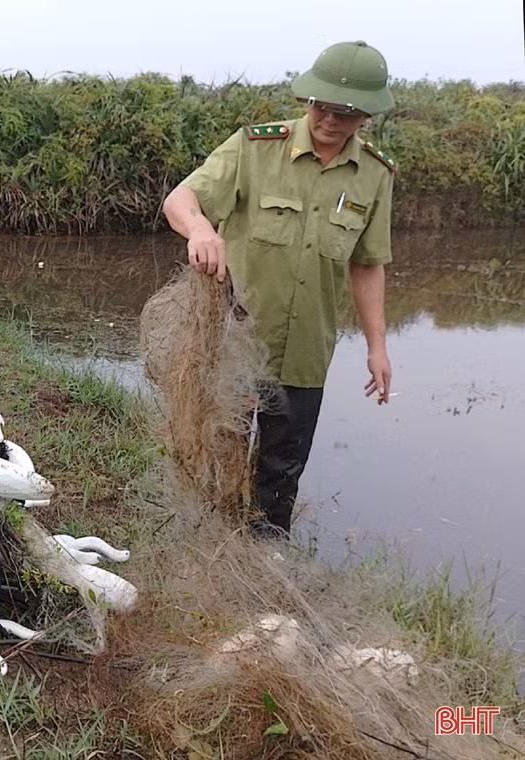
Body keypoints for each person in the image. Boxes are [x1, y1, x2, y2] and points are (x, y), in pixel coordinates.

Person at [160, 40, 399, 539]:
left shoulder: (375, 175)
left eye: (347, 113)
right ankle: (207, 554)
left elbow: (367, 264)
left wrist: (377, 346)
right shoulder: (255, 147)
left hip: (307, 351)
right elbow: (181, 198)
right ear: (308, 100)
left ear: (367, 117)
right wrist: (202, 230)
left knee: (282, 471)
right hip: (235, 343)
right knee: (219, 455)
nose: (331, 120)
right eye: (323, 106)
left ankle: (266, 563)